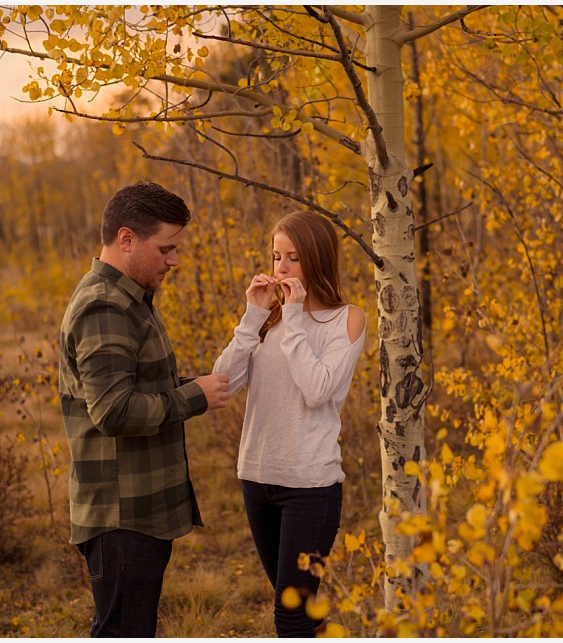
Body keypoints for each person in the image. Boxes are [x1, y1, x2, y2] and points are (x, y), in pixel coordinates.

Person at [58, 181, 231, 637]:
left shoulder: (130, 298)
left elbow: (140, 387)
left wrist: (201, 385)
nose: (174, 260)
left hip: (138, 511)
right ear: (127, 239)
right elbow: (114, 411)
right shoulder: (104, 306)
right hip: (121, 517)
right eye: (166, 248)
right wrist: (196, 397)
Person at [213, 210, 366, 637]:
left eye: (293, 258)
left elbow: (317, 389)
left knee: (290, 617)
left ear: (316, 259)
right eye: (277, 256)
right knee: (301, 609)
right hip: (257, 478)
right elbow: (223, 383)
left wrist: (295, 317)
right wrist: (251, 317)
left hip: (310, 488)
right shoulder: (269, 321)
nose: (280, 268)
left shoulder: (347, 319)